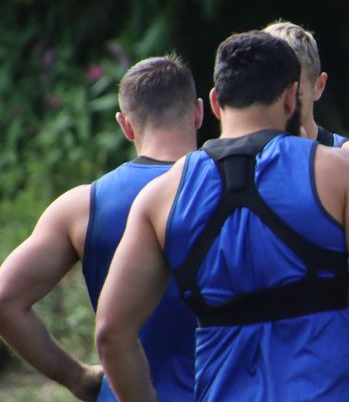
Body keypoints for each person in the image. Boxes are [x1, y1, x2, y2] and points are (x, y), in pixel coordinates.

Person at [95, 30, 349, 402]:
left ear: (212, 103)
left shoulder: (161, 196)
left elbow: (111, 332)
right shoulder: (338, 173)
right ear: (292, 97)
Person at [0, 54, 202, 401]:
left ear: (125, 125)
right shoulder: (235, 191)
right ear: (199, 112)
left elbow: (5, 299)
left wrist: (75, 376)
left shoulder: (84, 206)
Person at [263, 20, 349, 151]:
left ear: (319, 86)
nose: (281, 104)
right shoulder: (238, 162)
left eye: (294, 93)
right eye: (269, 92)